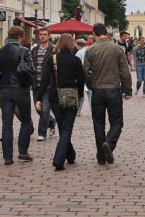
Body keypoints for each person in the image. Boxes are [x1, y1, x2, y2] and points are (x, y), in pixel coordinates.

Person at [83, 22, 133, 165]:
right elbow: (125, 71)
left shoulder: (90, 50)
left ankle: (101, 156)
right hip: (113, 90)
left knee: (98, 123)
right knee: (117, 122)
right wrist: (127, 89)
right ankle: (109, 143)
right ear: (106, 32)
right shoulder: (117, 49)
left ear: (94, 34)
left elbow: (86, 71)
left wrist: (91, 85)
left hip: (97, 90)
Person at [36, 33, 85, 170]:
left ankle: (70, 155)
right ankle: (58, 159)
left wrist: (39, 97)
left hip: (55, 96)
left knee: (63, 126)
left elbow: (44, 80)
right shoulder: (75, 60)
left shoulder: (52, 59)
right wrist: (79, 94)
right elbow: (81, 80)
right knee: (66, 127)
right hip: (70, 96)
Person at [0, 26, 35, 164]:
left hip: (5, 90)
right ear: (21, 36)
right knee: (26, 120)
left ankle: (7, 156)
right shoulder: (24, 51)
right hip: (21, 89)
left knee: (7, 124)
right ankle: (23, 151)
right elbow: (31, 70)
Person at [30, 27, 57, 141]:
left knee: (45, 109)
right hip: (36, 83)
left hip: (49, 84)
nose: (42, 36)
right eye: (41, 34)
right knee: (39, 109)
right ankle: (51, 122)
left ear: (49, 36)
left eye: (45, 34)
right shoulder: (34, 50)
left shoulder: (53, 49)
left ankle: (42, 133)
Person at [75, 38, 91, 115]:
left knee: (80, 94)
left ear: (78, 45)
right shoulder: (91, 50)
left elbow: (76, 64)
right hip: (91, 74)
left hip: (81, 74)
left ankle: (78, 111)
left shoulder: (79, 52)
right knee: (91, 94)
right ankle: (93, 110)